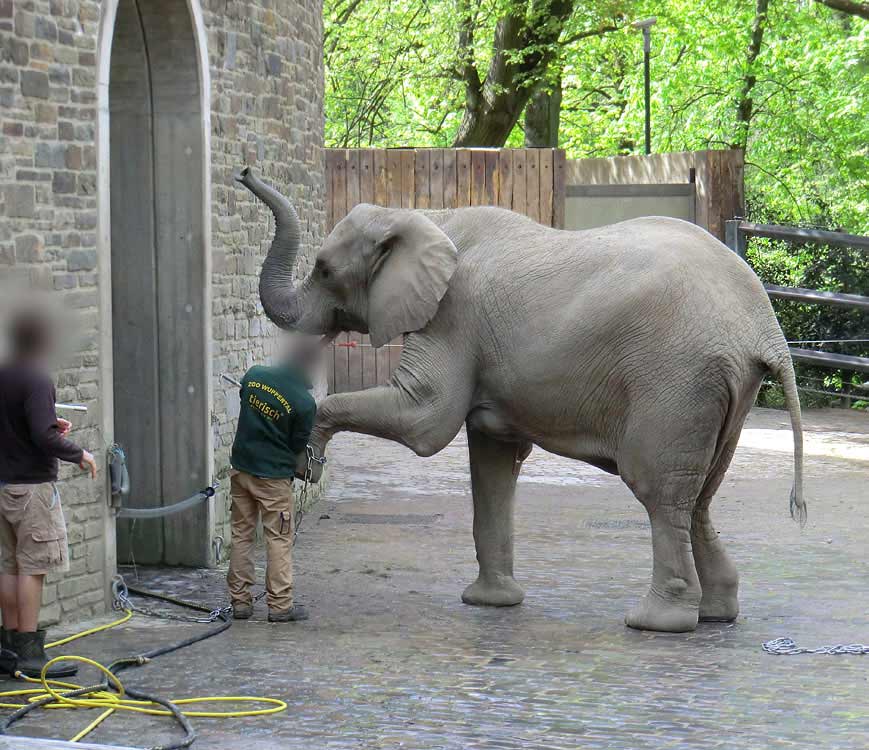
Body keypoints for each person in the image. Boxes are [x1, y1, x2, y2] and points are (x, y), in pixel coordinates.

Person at [0, 308, 97, 678]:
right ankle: (29, 653)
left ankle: (7, 649)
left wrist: (51, 425)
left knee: (9, 566)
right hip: (31, 490)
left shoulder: (4, 373)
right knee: (33, 568)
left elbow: (25, 425)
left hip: (4, 485)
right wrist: (79, 453)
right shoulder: (37, 378)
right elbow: (42, 436)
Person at [227, 336, 320, 622]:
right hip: (273, 479)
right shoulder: (304, 403)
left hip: (241, 469)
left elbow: (246, 403)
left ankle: (240, 603)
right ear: (309, 365)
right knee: (278, 539)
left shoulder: (254, 377)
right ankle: (280, 605)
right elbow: (297, 446)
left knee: (241, 535)